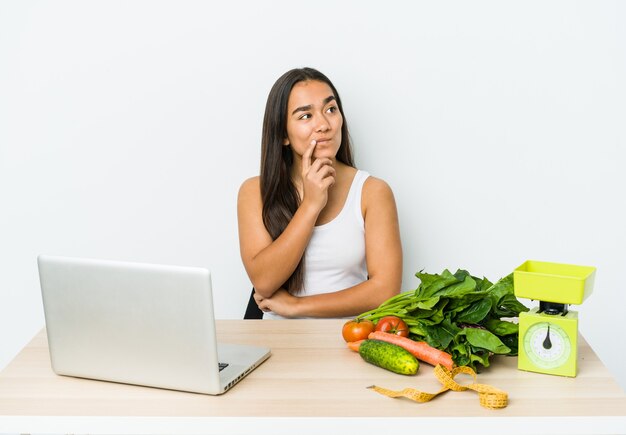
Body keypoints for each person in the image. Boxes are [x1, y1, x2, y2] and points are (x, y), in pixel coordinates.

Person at [237, 67, 402, 319]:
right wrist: (311, 205)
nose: (323, 125)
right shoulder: (254, 192)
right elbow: (264, 281)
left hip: (346, 342)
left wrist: (297, 306)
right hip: (274, 345)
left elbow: (385, 290)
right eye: (305, 116)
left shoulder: (373, 192)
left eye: (330, 109)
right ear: (283, 135)